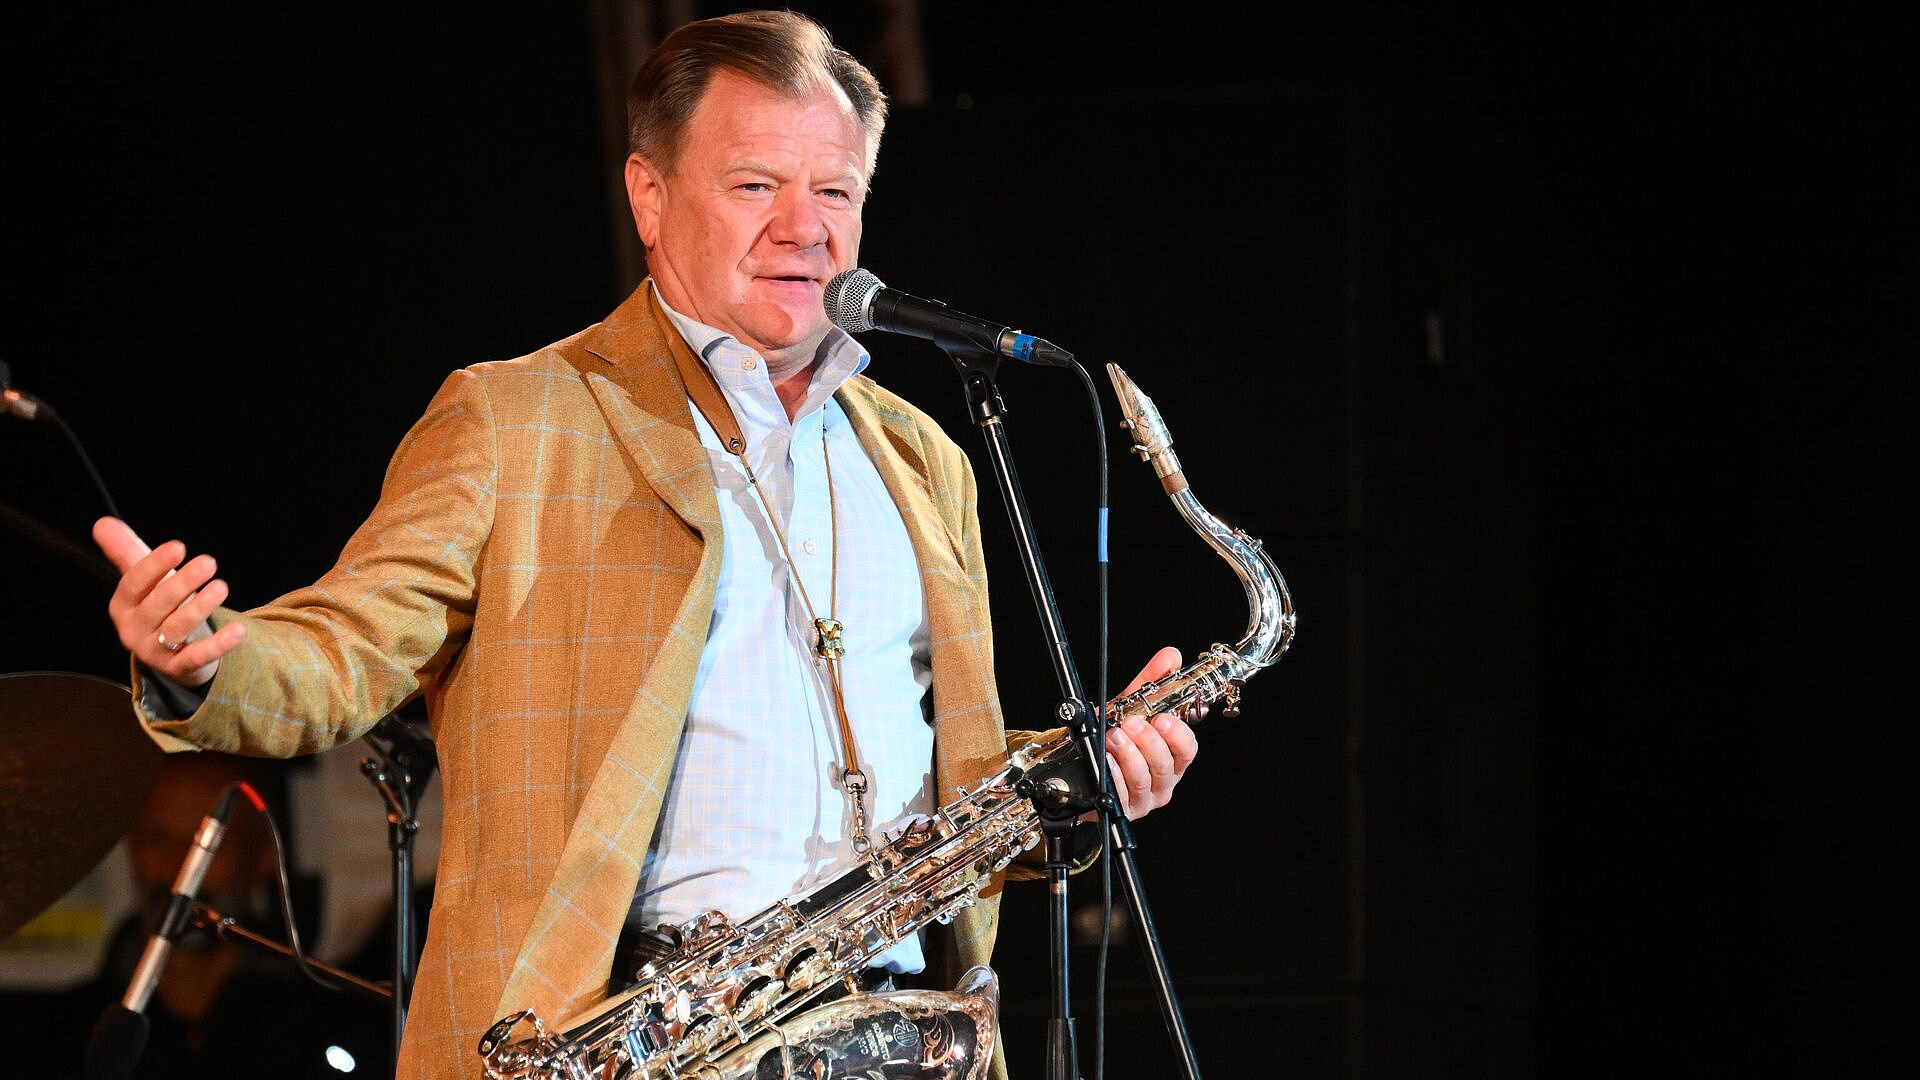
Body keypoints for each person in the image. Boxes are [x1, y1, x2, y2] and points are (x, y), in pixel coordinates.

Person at [92, 11, 1198, 1080]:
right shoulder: (515, 421)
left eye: (834, 190)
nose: (803, 227)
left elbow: (946, 778)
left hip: (904, 1035)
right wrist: (206, 660)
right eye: (756, 185)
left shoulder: (920, 456)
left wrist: (1083, 776)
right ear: (650, 197)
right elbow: (345, 649)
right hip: (626, 1038)